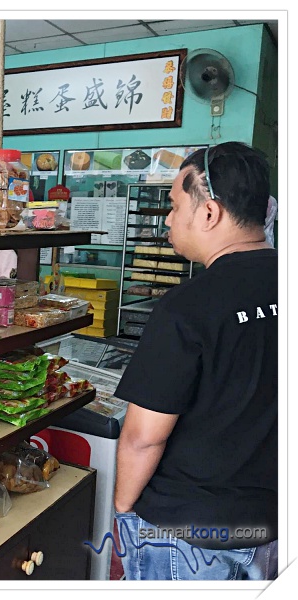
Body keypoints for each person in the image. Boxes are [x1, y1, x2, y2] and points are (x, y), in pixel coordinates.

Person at [113, 142, 277, 580]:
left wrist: (123, 510)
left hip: (186, 532)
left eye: (173, 204)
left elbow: (143, 438)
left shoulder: (186, 308)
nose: (168, 218)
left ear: (209, 214)